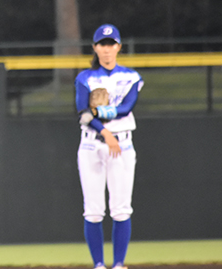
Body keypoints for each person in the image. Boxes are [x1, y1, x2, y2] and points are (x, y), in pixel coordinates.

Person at [75, 24, 144, 269]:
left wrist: (98, 112)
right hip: (92, 145)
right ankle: (98, 265)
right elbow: (82, 113)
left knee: (121, 209)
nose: (106, 49)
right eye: (102, 44)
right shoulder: (84, 78)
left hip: (122, 143)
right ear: (95, 48)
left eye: (111, 44)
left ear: (118, 47)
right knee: (93, 211)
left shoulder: (131, 77)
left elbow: (127, 107)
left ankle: (118, 264)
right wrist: (104, 130)